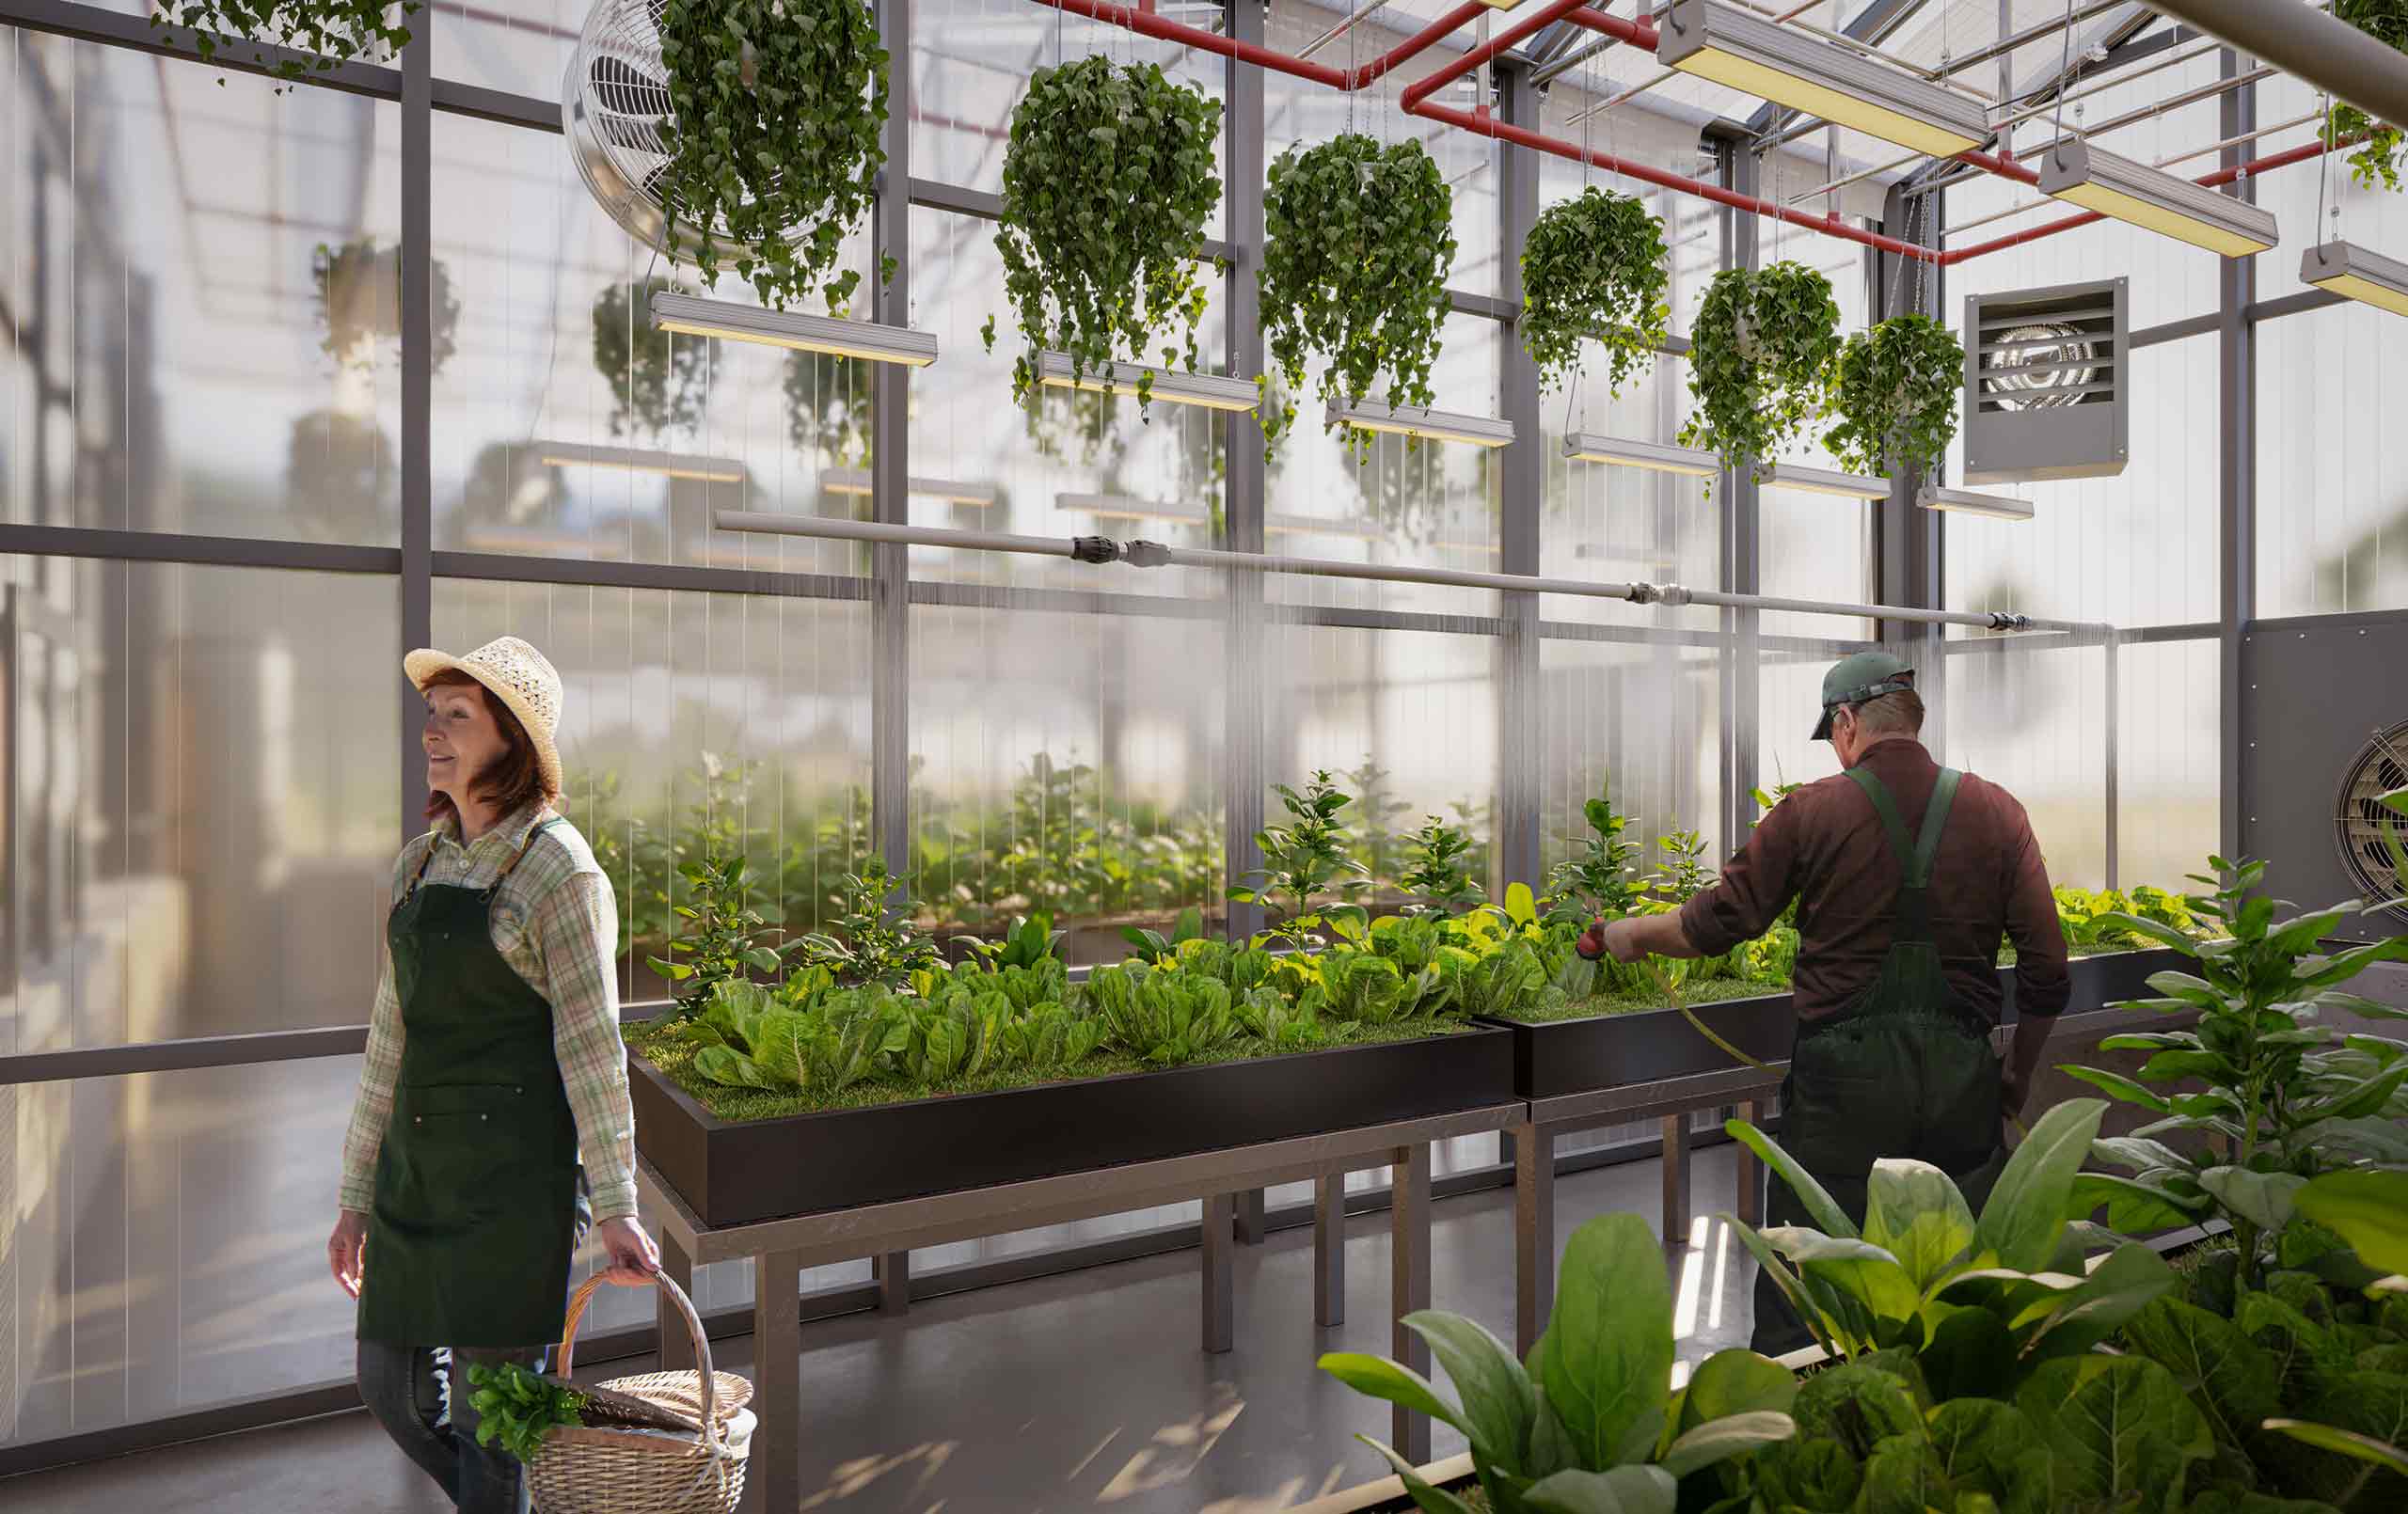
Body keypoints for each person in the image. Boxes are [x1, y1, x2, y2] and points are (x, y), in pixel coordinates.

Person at [1579, 651, 2068, 1356]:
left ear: (1846, 722)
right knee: (1956, 1283)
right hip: (1963, 1082)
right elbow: (2048, 970)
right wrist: (2016, 1072)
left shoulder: (1812, 811)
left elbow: (1714, 926)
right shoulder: (1998, 812)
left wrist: (1630, 934)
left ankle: (1810, 1436)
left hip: (1842, 1098)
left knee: (1813, 1284)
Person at [327, 635, 661, 1513]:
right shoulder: (418, 864)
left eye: (457, 717)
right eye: (430, 715)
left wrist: (619, 1203)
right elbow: (385, 1047)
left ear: (510, 738)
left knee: (491, 1425)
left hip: (516, 1186)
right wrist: (354, 1194)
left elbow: (592, 1052)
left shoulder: (560, 871)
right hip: (416, 1173)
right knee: (390, 1393)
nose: (431, 733)